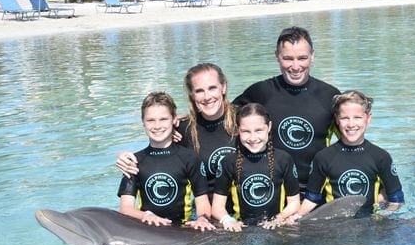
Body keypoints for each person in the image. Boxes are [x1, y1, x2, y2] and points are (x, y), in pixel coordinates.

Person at [233, 26, 340, 193]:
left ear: (312, 56)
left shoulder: (330, 95)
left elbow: (351, 140)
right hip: (272, 191)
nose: (296, 66)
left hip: (314, 192)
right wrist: (178, 124)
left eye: (302, 58)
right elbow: (220, 119)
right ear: (277, 56)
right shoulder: (260, 92)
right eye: (288, 58)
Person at [116, 63, 237, 195]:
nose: (207, 97)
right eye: (199, 91)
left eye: (212, 88)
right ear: (192, 94)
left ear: (223, 87)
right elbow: (155, 152)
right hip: (205, 211)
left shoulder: (245, 120)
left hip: (246, 211)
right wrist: (125, 157)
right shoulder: (182, 128)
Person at [287, 90, 404, 224]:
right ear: (337, 119)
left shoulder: (381, 157)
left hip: (369, 223)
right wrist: (296, 217)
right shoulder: (323, 157)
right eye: (345, 118)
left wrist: (381, 217)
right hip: (335, 224)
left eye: (357, 117)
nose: (351, 124)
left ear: (368, 118)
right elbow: (312, 198)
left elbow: (396, 199)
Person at [115, 91, 215, 230]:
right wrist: (145, 216)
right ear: (143, 122)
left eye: (163, 119)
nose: (157, 126)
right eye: (150, 120)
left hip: (181, 229)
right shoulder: (133, 161)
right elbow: (125, 209)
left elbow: (202, 200)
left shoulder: (190, 158)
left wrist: (202, 219)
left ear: (174, 119)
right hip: (146, 228)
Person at [211, 103, 300, 231]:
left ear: (269, 127)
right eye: (246, 131)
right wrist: (228, 220)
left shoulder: (283, 159)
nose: (253, 138)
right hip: (242, 229)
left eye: (258, 130)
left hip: (276, 227)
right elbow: (217, 206)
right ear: (238, 130)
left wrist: (279, 218)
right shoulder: (229, 161)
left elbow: (294, 202)